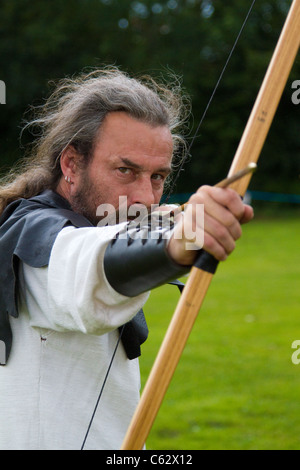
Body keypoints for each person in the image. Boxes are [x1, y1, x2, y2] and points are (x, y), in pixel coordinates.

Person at [0, 68, 253, 450]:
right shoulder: (35, 236)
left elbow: (142, 223)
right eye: (125, 170)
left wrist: (176, 222)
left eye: (157, 176)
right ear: (71, 164)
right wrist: (177, 244)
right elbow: (86, 263)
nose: (146, 197)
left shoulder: (99, 216)